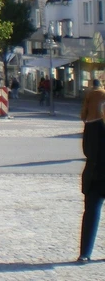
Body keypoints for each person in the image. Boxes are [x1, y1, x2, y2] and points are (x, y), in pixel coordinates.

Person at [79, 79, 105, 261]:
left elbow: (88, 151)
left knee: (91, 214)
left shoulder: (90, 125)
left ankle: (85, 253)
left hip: (94, 174)